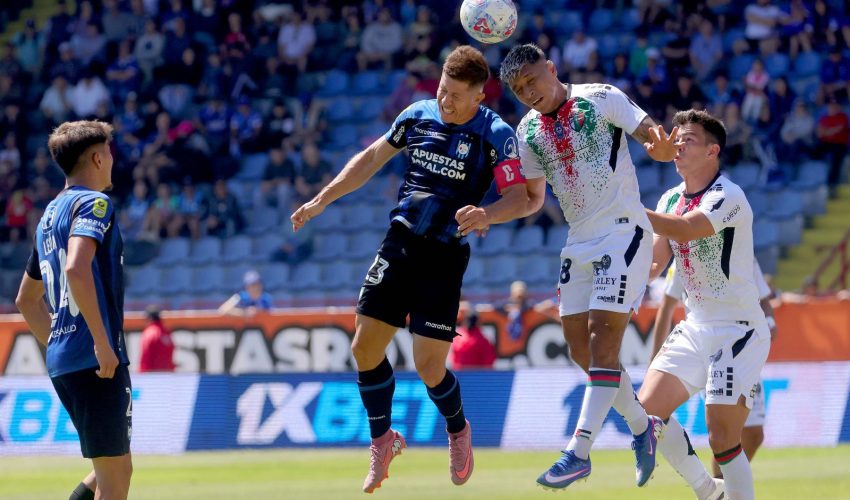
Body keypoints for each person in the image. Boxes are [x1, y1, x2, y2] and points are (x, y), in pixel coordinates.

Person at [291, 45, 535, 493]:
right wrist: (322, 199)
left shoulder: (496, 134)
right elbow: (369, 159)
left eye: (456, 95)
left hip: (444, 256)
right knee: (364, 348)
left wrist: (487, 214)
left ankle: (458, 430)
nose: (445, 101)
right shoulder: (417, 115)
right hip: (400, 243)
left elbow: (520, 198)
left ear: (479, 96)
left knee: (428, 366)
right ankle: (383, 440)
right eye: (442, 89)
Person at [499, 43, 677, 490]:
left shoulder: (600, 97)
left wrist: (661, 149)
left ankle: (577, 452)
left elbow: (651, 137)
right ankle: (643, 427)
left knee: (602, 340)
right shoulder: (527, 130)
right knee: (581, 350)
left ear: (551, 68)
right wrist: (487, 214)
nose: (529, 92)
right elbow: (532, 200)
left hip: (622, 230)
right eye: (519, 89)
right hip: (578, 241)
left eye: (532, 80)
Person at [640, 109, 771, 500]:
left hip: (738, 330)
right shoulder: (669, 198)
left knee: (722, 437)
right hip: (696, 327)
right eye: (676, 138)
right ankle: (707, 490)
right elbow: (653, 266)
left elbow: (687, 229)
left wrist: (627, 207)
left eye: (689, 139)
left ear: (713, 151)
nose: (678, 145)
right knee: (646, 413)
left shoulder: (728, 195)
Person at [15, 120, 132, 500]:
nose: (112, 160)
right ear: (97, 158)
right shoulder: (94, 204)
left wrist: (59, 344)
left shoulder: (48, 217)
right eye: (109, 153)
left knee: (112, 470)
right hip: (95, 360)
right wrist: (99, 342)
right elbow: (75, 268)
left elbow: (26, 300)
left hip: (66, 361)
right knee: (115, 483)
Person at [647, 258, 778, 481]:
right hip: (710, 351)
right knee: (723, 436)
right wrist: (654, 361)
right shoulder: (685, 254)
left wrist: (770, 322)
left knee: (754, 434)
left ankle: (721, 485)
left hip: (745, 348)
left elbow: (764, 300)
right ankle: (715, 487)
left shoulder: (743, 253)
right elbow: (666, 307)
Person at [449, 302, 496, 370]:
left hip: (459, 374)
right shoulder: (483, 340)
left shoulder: (457, 338)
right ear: (477, 322)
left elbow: (453, 360)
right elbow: (489, 362)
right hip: (476, 375)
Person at [138, 305, 175, 372]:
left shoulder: (149, 333)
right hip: (168, 374)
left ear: (150, 318)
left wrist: (142, 374)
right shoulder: (166, 332)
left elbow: (145, 356)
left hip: (153, 375)